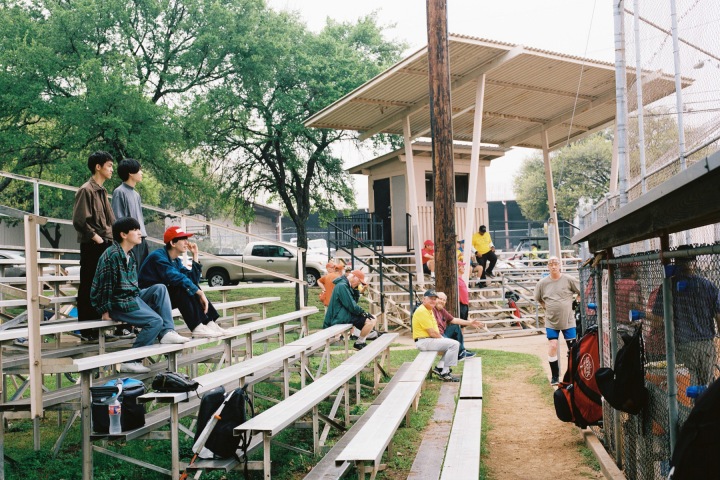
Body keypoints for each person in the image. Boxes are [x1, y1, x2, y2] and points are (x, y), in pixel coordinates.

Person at [91, 217, 189, 373]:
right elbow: (103, 285)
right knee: (155, 321)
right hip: (119, 303)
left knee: (160, 288)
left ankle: (167, 332)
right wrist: (105, 311)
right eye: (135, 230)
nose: (140, 233)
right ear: (123, 234)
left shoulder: (130, 255)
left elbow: (133, 287)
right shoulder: (112, 255)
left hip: (132, 297)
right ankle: (131, 361)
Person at [138, 226, 225, 338]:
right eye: (183, 239)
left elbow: (192, 280)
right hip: (148, 300)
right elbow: (175, 277)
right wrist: (199, 292)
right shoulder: (157, 257)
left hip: (163, 299)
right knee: (181, 287)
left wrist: (195, 255)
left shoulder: (176, 260)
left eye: (186, 239)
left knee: (190, 286)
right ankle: (196, 326)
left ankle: (209, 323)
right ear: (173, 243)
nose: (186, 242)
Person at [650, 247, 720, 386]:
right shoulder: (708, 286)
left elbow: (657, 322)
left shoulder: (668, 286)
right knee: (707, 388)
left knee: (687, 387)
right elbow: (719, 317)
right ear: (694, 262)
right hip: (706, 344)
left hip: (683, 345)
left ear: (676, 263)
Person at [72, 151, 116, 340]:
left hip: (106, 243)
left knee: (102, 285)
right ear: (98, 167)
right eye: (109, 166)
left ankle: (98, 328)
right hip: (92, 244)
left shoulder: (103, 191)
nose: (112, 169)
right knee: (89, 284)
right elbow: (79, 220)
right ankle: (86, 330)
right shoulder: (86, 190)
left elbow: (110, 221)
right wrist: (96, 238)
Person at [534, 256, 580, 386]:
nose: (553, 266)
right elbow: (538, 298)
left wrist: (576, 301)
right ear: (548, 266)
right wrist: (545, 306)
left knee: (572, 349)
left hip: (568, 320)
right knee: (553, 345)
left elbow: (580, 290)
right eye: (550, 264)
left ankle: (573, 376)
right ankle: (555, 375)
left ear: (560, 265)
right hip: (551, 321)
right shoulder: (542, 283)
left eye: (555, 263)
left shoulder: (568, 279)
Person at [412, 289, 460, 382]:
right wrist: (443, 340)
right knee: (454, 344)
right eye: (430, 298)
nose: (433, 301)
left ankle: (441, 368)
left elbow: (435, 330)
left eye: (434, 299)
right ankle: (444, 372)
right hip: (423, 341)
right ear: (424, 299)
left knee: (451, 344)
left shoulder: (429, 310)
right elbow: (432, 332)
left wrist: (443, 340)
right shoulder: (422, 310)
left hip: (428, 340)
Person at [323, 269, 377, 350]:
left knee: (373, 318)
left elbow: (353, 302)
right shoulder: (342, 286)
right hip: (339, 317)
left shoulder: (346, 285)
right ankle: (359, 343)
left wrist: (355, 290)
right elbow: (351, 305)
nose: (359, 284)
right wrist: (363, 313)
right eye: (359, 281)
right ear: (354, 277)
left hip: (345, 314)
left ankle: (361, 341)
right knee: (369, 321)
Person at [111, 158, 149, 269]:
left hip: (141, 239)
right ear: (131, 173)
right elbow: (119, 220)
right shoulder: (119, 192)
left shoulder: (136, 195)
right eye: (139, 170)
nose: (141, 173)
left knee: (143, 275)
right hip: (130, 241)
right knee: (132, 274)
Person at [434, 291, 483, 361]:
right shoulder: (431, 309)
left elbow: (454, 320)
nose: (442, 301)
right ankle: (441, 368)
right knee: (453, 345)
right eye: (440, 299)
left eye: (444, 300)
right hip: (436, 336)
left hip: (443, 333)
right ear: (435, 299)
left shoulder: (442, 310)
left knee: (455, 327)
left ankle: (462, 352)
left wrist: (469, 323)